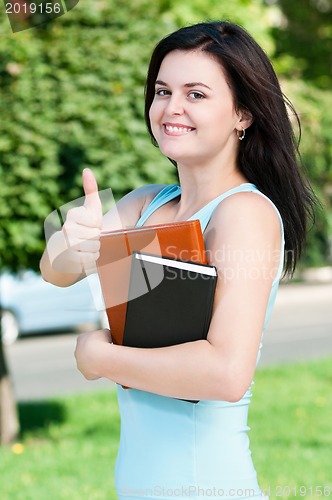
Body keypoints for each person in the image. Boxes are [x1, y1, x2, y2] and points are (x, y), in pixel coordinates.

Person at [40, 21, 316, 500]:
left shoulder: (244, 213)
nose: (172, 108)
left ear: (243, 114)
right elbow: (57, 271)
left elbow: (226, 374)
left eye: (196, 94)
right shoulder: (145, 203)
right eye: (163, 90)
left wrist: (98, 356)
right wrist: (71, 240)